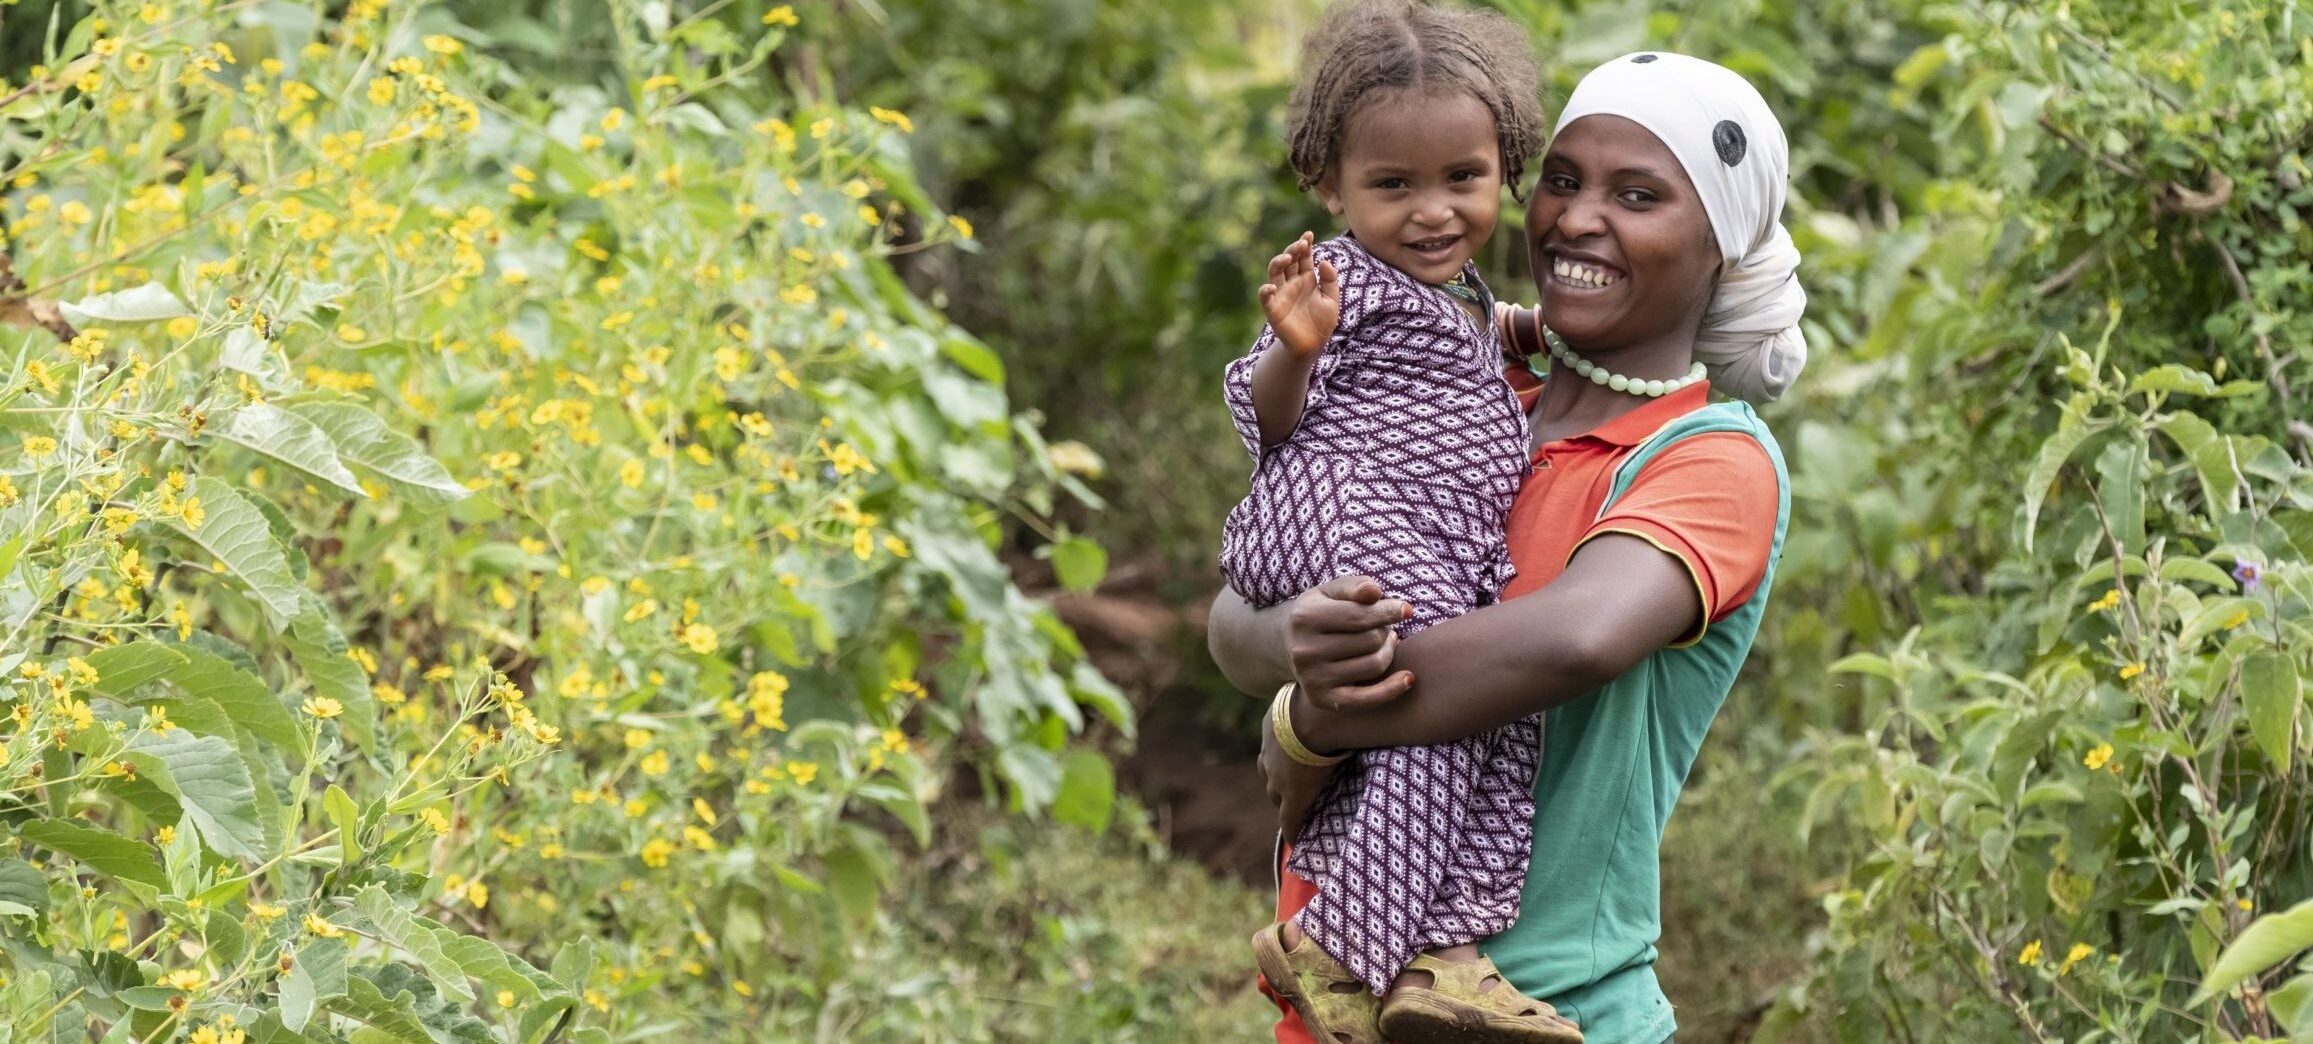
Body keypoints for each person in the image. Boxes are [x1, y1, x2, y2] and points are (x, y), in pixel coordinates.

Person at [1210, 49, 1807, 1044]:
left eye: (1639, 195)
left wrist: (1313, 720)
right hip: (1338, 1005)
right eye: (1563, 182)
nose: (1578, 218)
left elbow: (1570, 643)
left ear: (1721, 247)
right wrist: (1293, 659)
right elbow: (1233, 617)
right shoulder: (1467, 401)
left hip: (1552, 1015)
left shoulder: (1709, 461)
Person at [1216, 2, 1579, 1042]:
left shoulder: (1457, 292)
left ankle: (1433, 959)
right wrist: (1292, 348)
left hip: (1410, 537)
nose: (1433, 212)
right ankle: (1345, 948)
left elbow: (1472, 334)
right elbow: (1268, 415)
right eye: (1392, 186)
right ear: (1330, 183)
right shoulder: (1339, 286)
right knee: (1436, 701)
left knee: (1473, 722)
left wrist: (1531, 326)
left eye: (1462, 179)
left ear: (1503, 166)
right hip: (1346, 519)